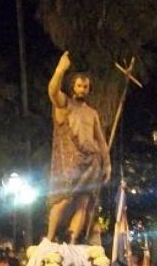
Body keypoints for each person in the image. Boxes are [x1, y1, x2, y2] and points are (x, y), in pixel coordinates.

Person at [46, 51, 110, 244]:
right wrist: (60, 70)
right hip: (70, 159)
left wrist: (107, 164)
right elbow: (52, 91)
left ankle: (73, 242)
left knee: (83, 202)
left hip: (92, 161)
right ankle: (49, 238)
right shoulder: (64, 104)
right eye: (80, 86)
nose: (82, 89)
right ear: (73, 86)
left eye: (86, 87)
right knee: (63, 199)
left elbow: (101, 141)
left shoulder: (92, 113)